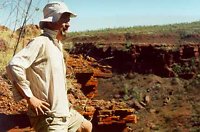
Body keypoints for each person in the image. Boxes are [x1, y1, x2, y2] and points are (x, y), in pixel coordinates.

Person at [6, 1, 92, 132]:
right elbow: (14, 65)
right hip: (50, 117)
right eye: (64, 20)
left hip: (65, 112)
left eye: (68, 20)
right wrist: (30, 98)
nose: (68, 24)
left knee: (86, 127)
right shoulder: (40, 42)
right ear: (51, 21)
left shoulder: (56, 44)